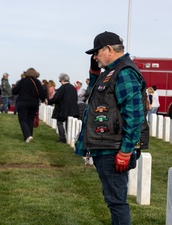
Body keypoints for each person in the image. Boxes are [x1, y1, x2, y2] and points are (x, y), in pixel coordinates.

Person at [75, 31, 149, 225]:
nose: (95, 56)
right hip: (106, 145)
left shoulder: (124, 72)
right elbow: (93, 95)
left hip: (114, 148)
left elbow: (133, 115)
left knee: (116, 202)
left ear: (108, 49)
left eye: (96, 52)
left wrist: (125, 151)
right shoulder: (110, 72)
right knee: (113, 199)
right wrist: (93, 70)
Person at [13, 68, 45, 143]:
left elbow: (15, 91)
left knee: (23, 120)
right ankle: (29, 135)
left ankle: (27, 136)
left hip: (23, 103)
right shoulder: (37, 82)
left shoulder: (22, 81)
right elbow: (42, 94)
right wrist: (44, 100)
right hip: (34, 103)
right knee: (30, 120)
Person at [48, 73, 79, 143]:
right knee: (69, 124)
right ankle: (71, 138)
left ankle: (62, 138)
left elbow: (56, 98)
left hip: (63, 109)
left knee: (59, 122)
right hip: (73, 109)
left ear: (62, 80)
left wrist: (49, 102)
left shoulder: (62, 88)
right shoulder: (73, 88)